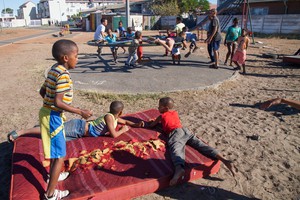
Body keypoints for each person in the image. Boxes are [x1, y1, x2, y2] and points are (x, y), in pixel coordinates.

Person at [40, 39, 93, 199]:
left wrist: (49, 106)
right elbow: (58, 101)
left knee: (57, 151)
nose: (77, 59)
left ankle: (53, 174)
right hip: (53, 117)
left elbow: (43, 91)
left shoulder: (54, 69)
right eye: (76, 56)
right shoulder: (63, 76)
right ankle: (50, 194)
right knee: (59, 155)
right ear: (65, 58)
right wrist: (80, 111)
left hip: (49, 113)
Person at [148, 97, 237, 186]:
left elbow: (151, 125)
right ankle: (224, 160)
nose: (158, 108)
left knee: (176, 149)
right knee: (202, 145)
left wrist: (152, 122)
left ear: (165, 108)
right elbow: (171, 122)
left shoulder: (161, 116)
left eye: (160, 106)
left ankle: (179, 169)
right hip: (185, 131)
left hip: (175, 133)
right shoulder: (174, 113)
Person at [7, 101, 144, 143]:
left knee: (56, 138)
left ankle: (38, 129)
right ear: (119, 112)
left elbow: (125, 122)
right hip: (78, 127)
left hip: (79, 132)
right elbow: (114, 135)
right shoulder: (109, 117)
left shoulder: (115, 117)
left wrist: (135, 125)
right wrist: (123, 130)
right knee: (51, 131)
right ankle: (21, 132)